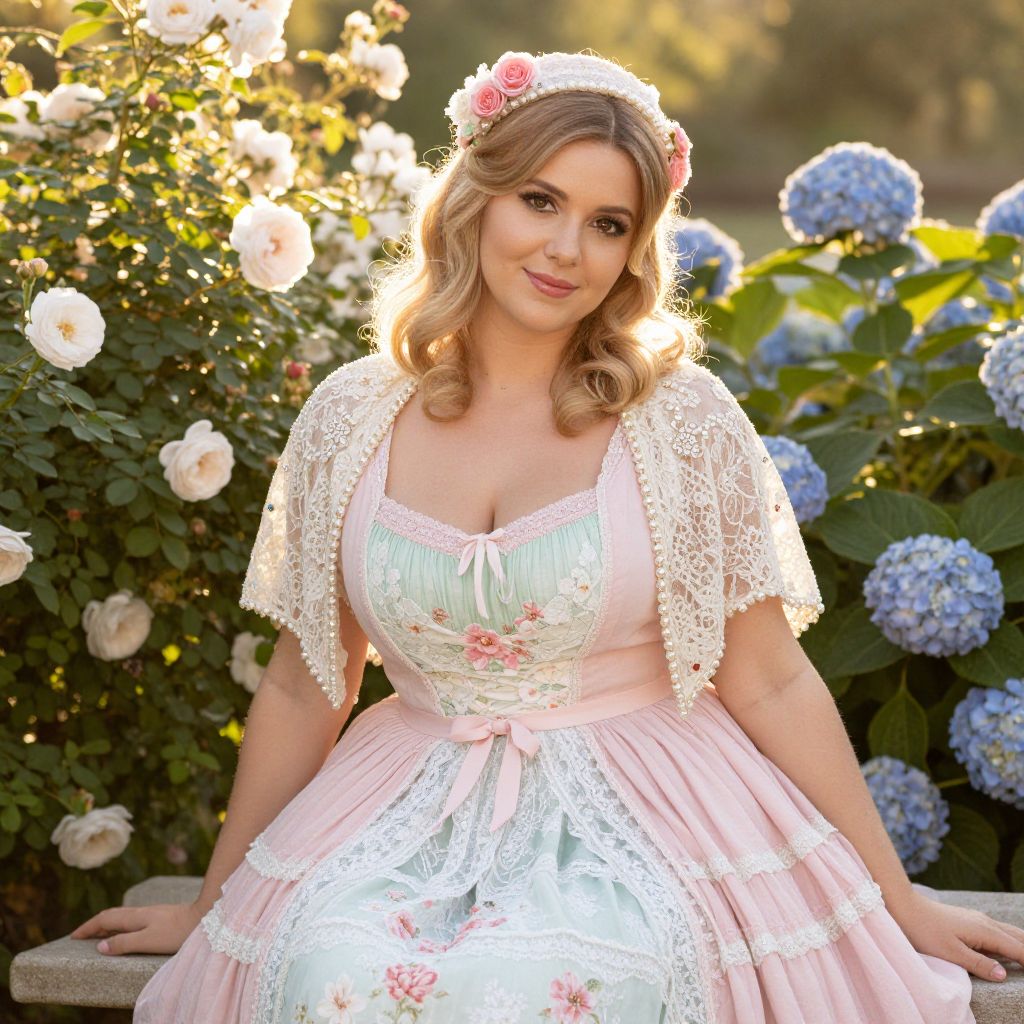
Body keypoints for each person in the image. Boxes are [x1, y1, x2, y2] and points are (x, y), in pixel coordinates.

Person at [70, 49, 1023, 1023]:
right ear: (474, 200)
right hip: (404, 809)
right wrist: (212, 899)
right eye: (539, 200)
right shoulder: (350, 414)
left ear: (632, 251)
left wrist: (895, 898)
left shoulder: (680, 422)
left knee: (576, 986)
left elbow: (769, 677)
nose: (567, 247)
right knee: (334, 976)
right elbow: (303, 677)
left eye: (607, 224)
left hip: (649, 810)